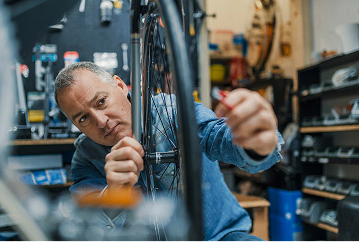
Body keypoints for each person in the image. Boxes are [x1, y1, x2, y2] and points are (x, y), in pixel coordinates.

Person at [54, 62, 283, 241]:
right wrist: (114, 192)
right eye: (83, 118)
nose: (101, 121)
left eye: (101, 102)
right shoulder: (86, 155)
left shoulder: (173, 112)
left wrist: (255, 141)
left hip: (219, 237)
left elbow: (219, 137)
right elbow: (86, 227)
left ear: (121, 86)